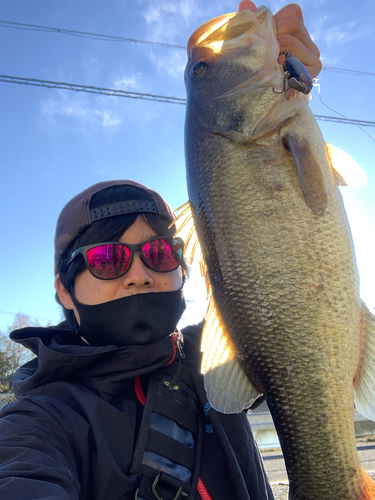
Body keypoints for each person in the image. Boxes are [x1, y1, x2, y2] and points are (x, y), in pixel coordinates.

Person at [0, 4, 322, 500]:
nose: (137, 274)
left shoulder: (217, 361)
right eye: (108, 259)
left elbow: (293, 288)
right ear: (64, 289)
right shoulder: (37, 423)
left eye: (158, 253)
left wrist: (290, 86)